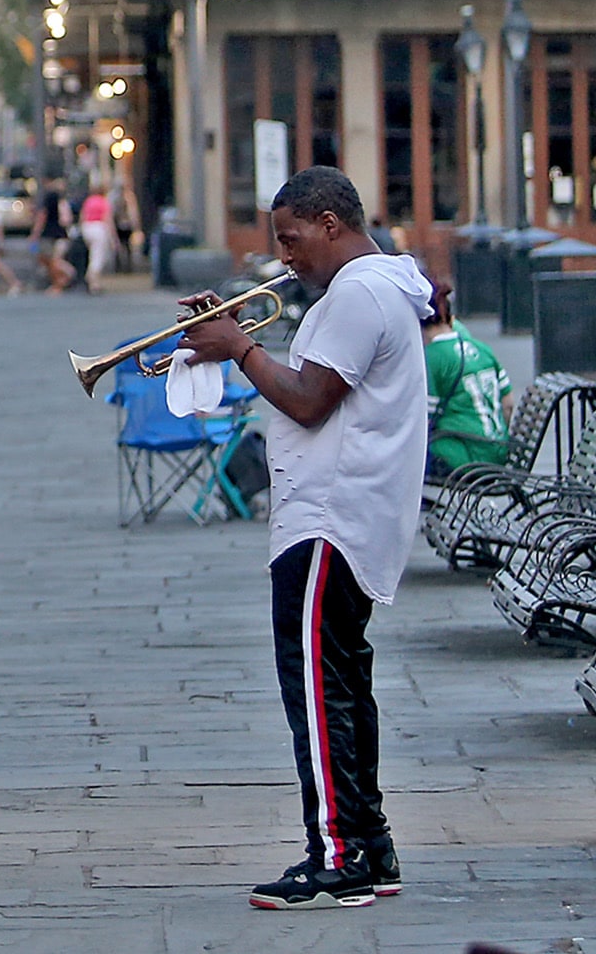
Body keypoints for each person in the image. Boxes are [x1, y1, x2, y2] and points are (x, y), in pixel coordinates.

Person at [178, 166, 432, 911]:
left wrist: (240, 349)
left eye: (290, 239)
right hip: (348, 513)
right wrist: (232, 338)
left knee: (317, 693)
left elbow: (312, 401)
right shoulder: (378, 289)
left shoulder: (357, 294)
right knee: (345, 684)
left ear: (330, 223)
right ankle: (370, 844)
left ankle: (337, 854)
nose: (284, 255)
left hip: (330, 516)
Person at [422, 278, 511, 479]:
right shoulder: (481, 348)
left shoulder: (433, 358)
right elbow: (508, 403)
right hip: (496, 449)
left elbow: (423, 421)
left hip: (462, 456)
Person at [30, 176, 75, 293]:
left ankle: (69, 274)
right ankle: (59, 283)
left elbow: (42, 216)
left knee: (51, 260)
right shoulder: (61, 198)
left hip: (49, 233)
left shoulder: (48, 196)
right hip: (61, 233)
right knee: (55, 260)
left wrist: (35, 233)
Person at [78, 183, 116, 295]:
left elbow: (82, 217)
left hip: (87, 227)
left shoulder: (88, 201)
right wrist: (113, 237)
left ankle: (93, 280)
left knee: (92, 254)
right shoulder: (104, 202)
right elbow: (107, 219)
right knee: (98, 256)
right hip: (99, 228)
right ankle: (94, 282)